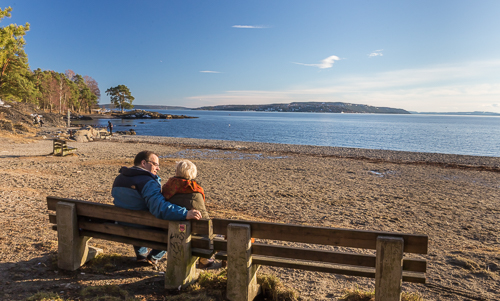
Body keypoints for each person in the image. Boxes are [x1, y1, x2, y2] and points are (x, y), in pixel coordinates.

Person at [112, 151, 202, 265]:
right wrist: (185, 213)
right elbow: (160, 208)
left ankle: (141, 255)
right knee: (170, 228)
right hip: (143, 227)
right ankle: (153, 257)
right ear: (143, 163)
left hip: (121, 225)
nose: (158, 168)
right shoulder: (147, 182)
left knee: (136, 213)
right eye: (155, 164)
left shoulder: (119, 178)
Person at [162, 159, 214, 268]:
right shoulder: (195, 191)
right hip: (188, 235)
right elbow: (204, 220)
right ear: (193, 174)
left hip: (165, 232)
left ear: (177, 172)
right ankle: (203, 259)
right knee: (206, 229)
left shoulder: (167, 188)